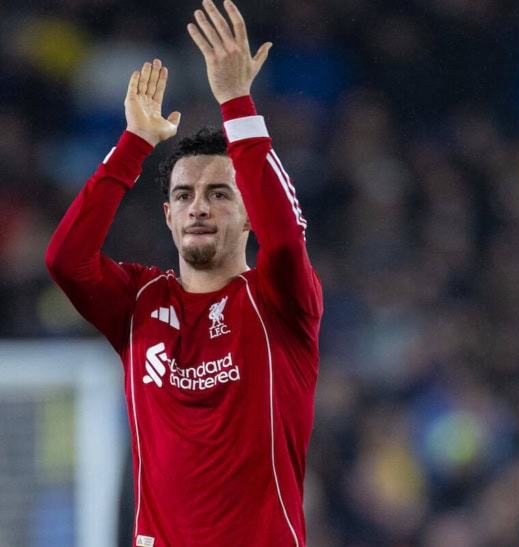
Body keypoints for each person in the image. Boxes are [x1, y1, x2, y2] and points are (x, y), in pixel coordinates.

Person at [45, 0, 323, 544]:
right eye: (184, 196)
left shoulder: (279, 300)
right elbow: (65, 260)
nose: (199, 207)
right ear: (168, 216)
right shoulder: (138, 301)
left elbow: (287, 241)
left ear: (248, 213)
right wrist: (134, 146)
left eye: (219, 194)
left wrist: (236, 103)